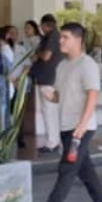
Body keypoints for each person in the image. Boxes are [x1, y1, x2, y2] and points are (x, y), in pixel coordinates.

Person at [30, 23, 102, 202]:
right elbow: (61, 95)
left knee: (67, 166)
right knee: (85, 168)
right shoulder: (63, 65)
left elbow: (93, 95)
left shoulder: (87, 64)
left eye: (65, 37)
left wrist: (83, 124)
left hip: (80, 127)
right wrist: (51, 96)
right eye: (61, 37)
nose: (60, 41)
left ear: (78, 40)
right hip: (66, 125)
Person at [33, 14, 63, 154]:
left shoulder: (52, 36)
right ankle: (54, 141)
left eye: (42, 27)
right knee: (50, 111)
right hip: (51, 77)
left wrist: (38, 53)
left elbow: (46, 56)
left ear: (45, 25)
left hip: (48, 78)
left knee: (49, 111)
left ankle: (52, 143)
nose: (42, 29)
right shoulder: (56, 35)